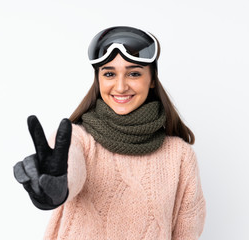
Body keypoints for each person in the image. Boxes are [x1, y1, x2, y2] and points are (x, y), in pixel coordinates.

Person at [14, 26, 206, 240]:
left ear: (152, 80)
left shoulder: (179, 155)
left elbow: (187, 231)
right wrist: (55, 188)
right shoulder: (77, 139)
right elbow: (71, 173)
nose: (121, 86)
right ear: (99, 80)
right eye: (109, 74)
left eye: (134, 73)